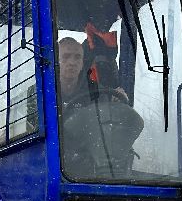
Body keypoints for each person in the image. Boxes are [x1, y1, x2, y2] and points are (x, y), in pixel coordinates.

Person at [55, 35, 143, 180]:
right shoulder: (38, 93)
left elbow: (108, 122)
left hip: (90, 164)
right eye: (66, 56)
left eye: (77, 57)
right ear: (55, 61)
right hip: (56, 163)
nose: (72, 62)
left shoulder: (97, 92)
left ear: (83, 63)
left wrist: (119, 102)